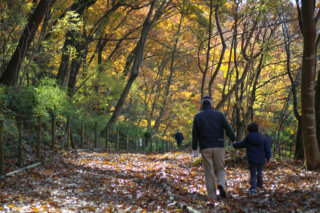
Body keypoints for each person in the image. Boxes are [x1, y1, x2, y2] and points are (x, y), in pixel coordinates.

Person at [192, 96, 236, 202]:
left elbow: (195, 134)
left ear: (202, 104)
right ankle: (221, 184)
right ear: (211, 104)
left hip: (205, 147)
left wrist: (194, 148)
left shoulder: (198, 116)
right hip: (219, 145)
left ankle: (212, 196)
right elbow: (228, 128)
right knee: (220, 168)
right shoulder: (219, 114)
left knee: (208, 171)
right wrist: (233, 139)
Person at [232, 122, 271, 195]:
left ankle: (253, 189)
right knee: (259, 173)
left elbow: (241, 145)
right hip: (261, 159)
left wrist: (234, 145)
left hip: (252, 159)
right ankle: (259, 186)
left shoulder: (248, 138)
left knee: (253, 174)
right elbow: (267, 149)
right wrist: (268, 158)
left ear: (249, 130)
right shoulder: (262, 138)